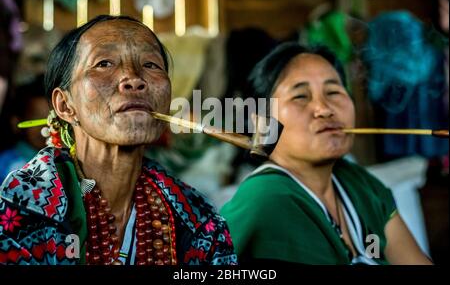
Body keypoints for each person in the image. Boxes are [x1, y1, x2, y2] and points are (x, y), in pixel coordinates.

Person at [0, 15, 237, 265]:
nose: (134, 79)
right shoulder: (19, 213)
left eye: (151, 64)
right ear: (65, 105)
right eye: (104, 63)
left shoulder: (199, 221)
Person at [220, 42, 432, 265]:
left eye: (333, 92)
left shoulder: (361, 185)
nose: (324, 109)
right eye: (300, 97)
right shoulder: (263, 199)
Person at [0, 76, 49, 182]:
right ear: (16, 123)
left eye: (50, 117)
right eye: (36, 118)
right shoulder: (9, 166)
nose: (46, 126)